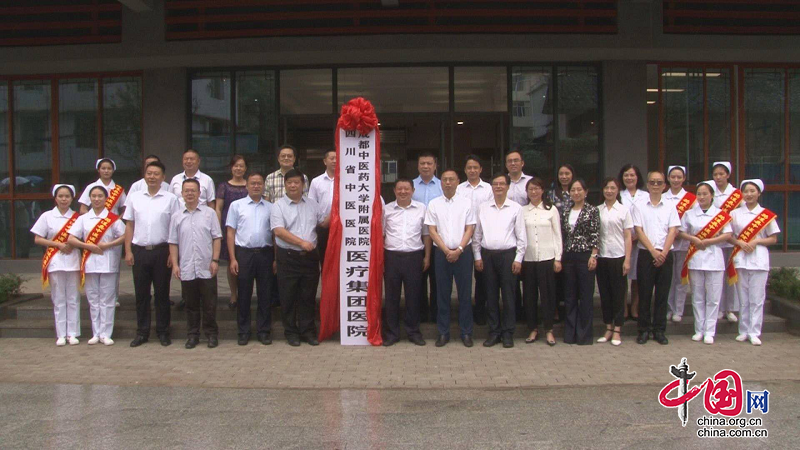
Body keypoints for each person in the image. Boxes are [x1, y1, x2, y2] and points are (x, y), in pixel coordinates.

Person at [123, 161, 180, 347]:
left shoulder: (171, 199)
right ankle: (142, 332)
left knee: (162, 294)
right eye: (149, 173)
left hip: (162, 251)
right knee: (141, 294)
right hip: (140, 251)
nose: (152, 177)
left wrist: (173, 255)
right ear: (144, 176)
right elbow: (129, 225)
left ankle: (163, 331)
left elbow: (174, 227)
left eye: (156, 174)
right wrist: (128, 251)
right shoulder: (135, 197)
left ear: (163, 177)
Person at [271, 169, 329, 347]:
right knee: (288, 297)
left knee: (308, 296)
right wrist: (301, 243)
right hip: (288, 257)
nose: (293, 185)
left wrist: (338, 209)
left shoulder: (312, 204)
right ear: (285, 185)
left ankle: (308, 332)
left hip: (310, 258)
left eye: (297, 182)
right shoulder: (278, 206)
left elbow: (322, 223)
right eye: (290, 183)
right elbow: (278, 231)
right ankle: (291, 332)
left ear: (303, 185)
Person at [68, 186, 125, 346]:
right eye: (93, 196)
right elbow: (71, 238)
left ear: (106, 199)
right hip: (90, 262)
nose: (97, 199)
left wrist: (108, 245)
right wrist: (88, 246)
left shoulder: (113, 218)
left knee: (107, 299)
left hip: (108, 263)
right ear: (90, 198)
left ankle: (106, 333)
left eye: (100, 196)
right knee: (93, 299)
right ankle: (96, 333)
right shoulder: (83, 218)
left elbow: (124, 235)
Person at [474, 173, 526, 348]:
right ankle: (494, 331)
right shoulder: (483, 207)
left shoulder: (516, 208)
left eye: (502, 184)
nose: (498, 187)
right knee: (491, 295)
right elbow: (477, 235)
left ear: (508, 186)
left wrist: (518, 259)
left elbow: (521, 237)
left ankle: (508, 332)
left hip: (508, 256)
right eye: (495, 184)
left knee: (509, 295)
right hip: (487, 255)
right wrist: (477, 256)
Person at [169, 179, 222, 349]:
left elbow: (216, 238)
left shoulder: (210, 213)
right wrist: (175, 265)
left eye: (193, 191)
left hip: (206, 267)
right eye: (187, 191)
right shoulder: (177, 216)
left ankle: (211, 335)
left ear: (200, 194)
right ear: (182, 194)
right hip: (186, 267)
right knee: (190, 304)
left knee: (209, 304)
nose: (190, 194)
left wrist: (215, 260)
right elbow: (173, 242)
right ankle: (192, 335)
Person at [425, 169, 475, 347]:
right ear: (441, 182)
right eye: (445, 179)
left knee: (465, 294)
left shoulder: (466, 203)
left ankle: (466, 332)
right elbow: (432, 230)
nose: (447, 182)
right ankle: (443, 332)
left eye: (451, 179)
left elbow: (470, 228)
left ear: (457, 182)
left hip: (463, 253)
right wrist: (447, 250)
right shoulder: (434, 204)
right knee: (442, 294)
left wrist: (459, 249)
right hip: (442, 254)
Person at [678, 181, 733, 345]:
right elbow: (681, 232)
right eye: (699, 194)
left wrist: (711, 241)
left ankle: (710, 330)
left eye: (705, 194)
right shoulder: (689, 213)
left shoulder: (720, 214)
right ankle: (699, 329)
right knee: (698, 296)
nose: (702, 197)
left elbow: (728, 234)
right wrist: (694, 238)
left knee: (714, 298)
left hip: (715, 257)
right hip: (696, 257)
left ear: (712, 195)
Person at [631, 171, 680, 345]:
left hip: (665, 253)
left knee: (662, 294)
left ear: (664, 185)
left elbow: (673, 230)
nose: (656, 185)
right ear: (648, 185)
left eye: (659, 182)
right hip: (646, 254)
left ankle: (659, 330)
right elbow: (638, 230)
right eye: (652, 182)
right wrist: (653, 252)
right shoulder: (639, 205)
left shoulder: (670, 206)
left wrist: (663, 253)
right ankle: (643, 330)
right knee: (644, 293)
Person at [730, 179, 780, 346]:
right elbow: (729, 235)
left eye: (752, 191)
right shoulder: (735, 213)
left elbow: (773, 238)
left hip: (759, 260)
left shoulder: (766, 215)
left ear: (759, 193)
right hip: (741, 259)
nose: (749, 194)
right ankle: (743, 330)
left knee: (756, 298)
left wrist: (756, 242)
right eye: (746, 191)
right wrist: (739, 243)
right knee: (743, 298)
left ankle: (754, 331)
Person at [226, 172, 275, 346]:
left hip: (265, 254)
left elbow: (275, 235)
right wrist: (232, 258)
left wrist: (275, 258)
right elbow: (230, 233)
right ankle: (243, 331)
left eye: (259, 183)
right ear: (246, 186)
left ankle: (263, 331)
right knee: (244, 294)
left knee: (265, 294)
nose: (256, 186)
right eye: (253, 183)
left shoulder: (271, 207)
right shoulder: (236, 206)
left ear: (263, 186)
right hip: (244, 254)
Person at [382, 178, 431, 346]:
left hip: (414, 256)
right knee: (391, 297)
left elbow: (426, 234)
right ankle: (391, 333)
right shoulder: (386, 209)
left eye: (406, 189)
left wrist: (427, 256)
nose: (403, 192)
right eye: (399, 189)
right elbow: (381, 234)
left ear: (413, 190)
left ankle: (413, 332)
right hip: (392, 257)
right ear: (394, 191)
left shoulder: (422, 209)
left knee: (413, 297)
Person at [31, 184, 81, 346]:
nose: (64, 199)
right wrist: (57, 244)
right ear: (55, 198)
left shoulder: (78, 217)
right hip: (55, 261)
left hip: (73, 260)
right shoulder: (47, 216)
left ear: (72, 198)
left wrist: (73, 244)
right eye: (61, 196)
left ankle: (72, 333)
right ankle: (61, 334)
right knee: (59, 299)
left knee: (73, 298)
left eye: (67, 196)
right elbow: (38, 238)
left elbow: (85, 238)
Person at [521, 177, 561, 346]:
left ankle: (549, 330)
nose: (534, 192)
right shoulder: (522, 211)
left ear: (543, 190)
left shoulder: (551, 210)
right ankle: (533, 328)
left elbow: (557, 235)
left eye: (537, 188)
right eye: (530, 189)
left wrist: (558, 258)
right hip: (528, 259)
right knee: (529, 296)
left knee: (548, 296)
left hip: (547, 258)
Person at [561, 179, 599, 345]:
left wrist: (594, 255)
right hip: (569, 256)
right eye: (573, 190)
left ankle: (584, 334)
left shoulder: (592, 210)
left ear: (585, 192)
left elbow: (596, 234)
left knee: (585, 296)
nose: (576, 193)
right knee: (569, 296)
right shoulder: (565, 210)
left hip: (585, 256)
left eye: (579, 190)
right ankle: (570, 334)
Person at [455, 155, 492, 325]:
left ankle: (480, 311)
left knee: (482, 276)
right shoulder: (459, 189)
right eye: (469, 167)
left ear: (480, 169)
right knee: (463, 278)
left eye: (475, 167)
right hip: (461, 238)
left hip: (483, 237)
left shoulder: (489, 189)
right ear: (465, 170)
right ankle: (463, 312)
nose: (472, 170)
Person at [596, 177, 632, 346]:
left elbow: (627, 236)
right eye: (606, 188)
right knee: (605, 294)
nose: (609, 191)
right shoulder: (597, 210)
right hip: (602, 257)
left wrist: (627, 259)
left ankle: (618, 329)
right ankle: (608, 327)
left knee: (619, 294)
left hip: (618, 256)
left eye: (612, 188)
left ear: (617, 190)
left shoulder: (624, 210)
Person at [215, 155, 248, 311]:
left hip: (247, 227)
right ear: (231, 168)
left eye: (241, 166)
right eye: (236, 166)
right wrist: (217, 229)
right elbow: (218, 208)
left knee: (246, 262)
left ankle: (245, 293)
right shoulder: (224, 186)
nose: (238, 169)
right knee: (231, 262)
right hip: (229, 227)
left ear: (245, 168)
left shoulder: (251, 185)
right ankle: (234, 294)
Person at [412, 151, 443, 323]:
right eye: (422, 163)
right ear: (418, 166)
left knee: (437, 279)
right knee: (418, 280)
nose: (425, 166)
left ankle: (436, 315)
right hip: (415, 238)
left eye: (429, 163)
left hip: (438, 239)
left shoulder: (441, 186)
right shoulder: (411, 186)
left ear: (435, 165)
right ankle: (421, 314)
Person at [711, 161, 742, 323]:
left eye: (721, 174)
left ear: (728, 175)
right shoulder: (710, 192)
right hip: (714, 241)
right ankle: (718, 309)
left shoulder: (737, 194)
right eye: (715, 174)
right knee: (716, 278)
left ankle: (730, 308)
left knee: (730, 276)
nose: (718, 177)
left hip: (731, 241)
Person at [663, 166, 694, 323]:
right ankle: (669, 308)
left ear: (683, 178)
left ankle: (679, 310)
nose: (676, 180)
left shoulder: (691, 199)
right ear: (668, 178)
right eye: (673, 177)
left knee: (681, 278)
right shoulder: (663, 197)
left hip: (683, 244)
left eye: (679, 177)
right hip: (666, 244)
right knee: (668, 278)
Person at [618, 163, 648, 322]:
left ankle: (635, 306)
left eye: (632, 175)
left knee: (637, 277)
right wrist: (629, 237)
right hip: (622, 241)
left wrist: (638, 237)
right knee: (622, 275)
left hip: (641, 241)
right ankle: (623, 307)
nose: (629, 178)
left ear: (638, 177)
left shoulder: (646, 195)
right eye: (626, 175)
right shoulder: (619, 195)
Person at [547, 164, 575, 323]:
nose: (564, 176)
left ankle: (569, 310)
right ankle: (556, 309)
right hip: (555, 239)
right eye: (561, 173)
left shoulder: (577, 191)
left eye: (567, 173)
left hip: (573, 241)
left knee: (569, 277)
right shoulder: (552, 194)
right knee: (555, 277)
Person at [308, 149, 336, 268]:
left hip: (343, 226)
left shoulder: (347, 180)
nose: (335, 161)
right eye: (332, 158)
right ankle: (326, 285)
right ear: (325, 161)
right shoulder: (316, 181)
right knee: (325, 260)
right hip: (323, 225)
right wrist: (321, 222)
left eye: (337, 158)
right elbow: (312, 204)